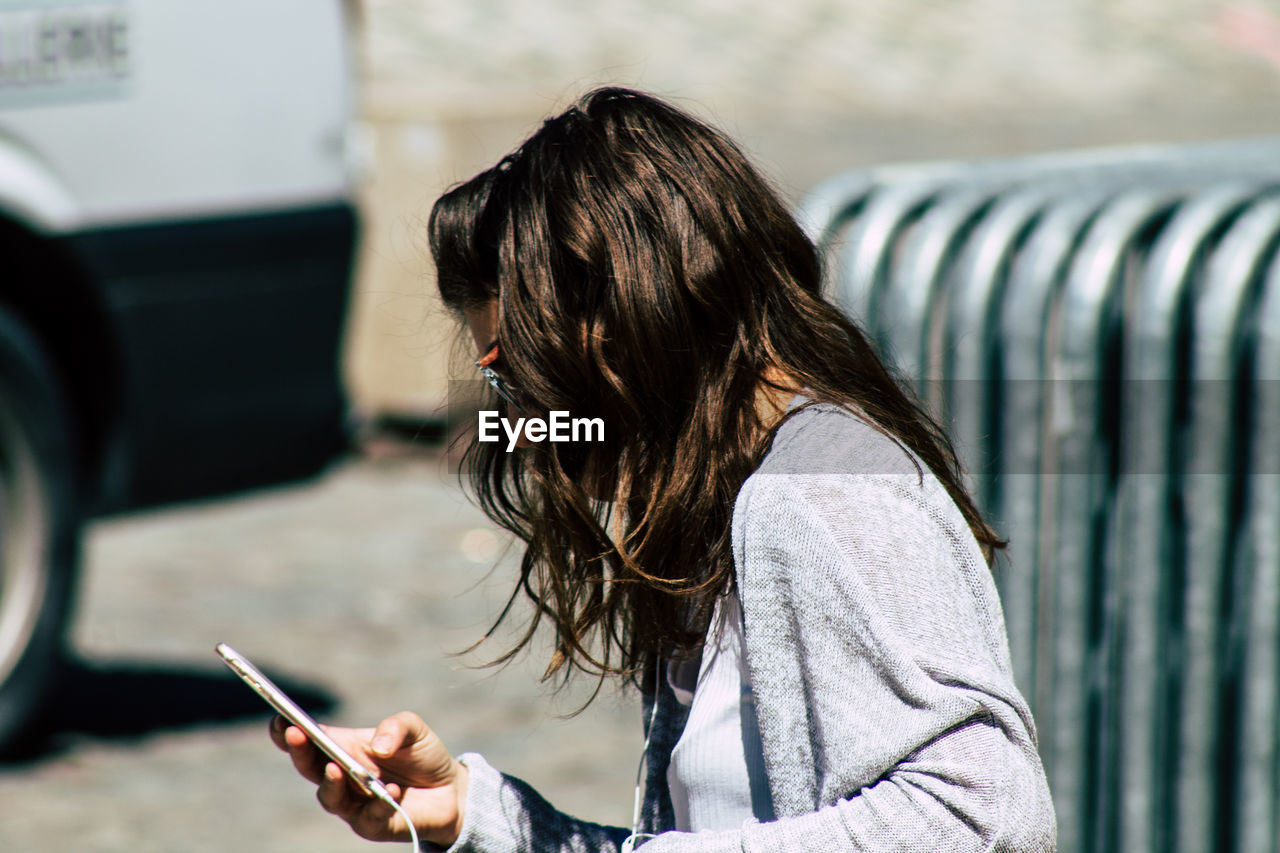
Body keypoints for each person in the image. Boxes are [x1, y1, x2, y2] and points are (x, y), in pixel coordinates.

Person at [270, 86, 1057, 851]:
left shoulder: (819, 494)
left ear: (628, 324)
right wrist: (477, 816)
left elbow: (981, 821)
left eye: (515, 375)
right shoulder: (724, 503)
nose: (521, 419)